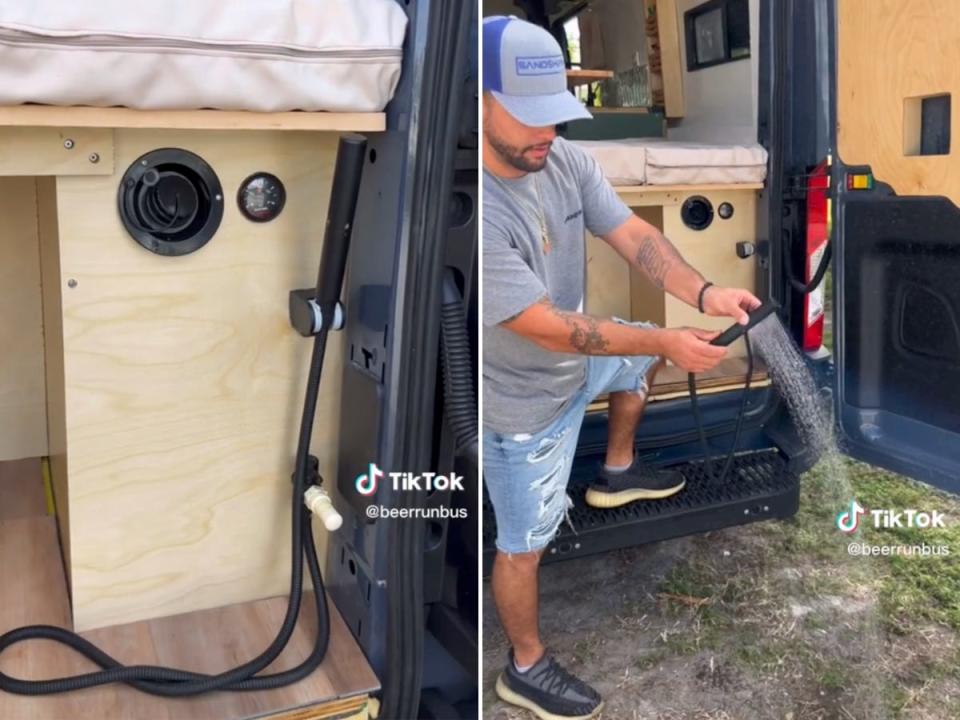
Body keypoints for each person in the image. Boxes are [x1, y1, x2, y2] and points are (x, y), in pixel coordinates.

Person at [481, 15, 763, 720]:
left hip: (576, 368)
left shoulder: (561, 160)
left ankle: (616, 469)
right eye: (529, 116)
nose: (546, 132)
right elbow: (547, 331)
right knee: (524, 545)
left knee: (633, 365)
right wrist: (665, 343)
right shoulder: (475, 210)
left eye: (555, 115)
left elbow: (633, 234)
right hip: (520, 398)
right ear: (476, 101)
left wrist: (704, 293)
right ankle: (523, 668)